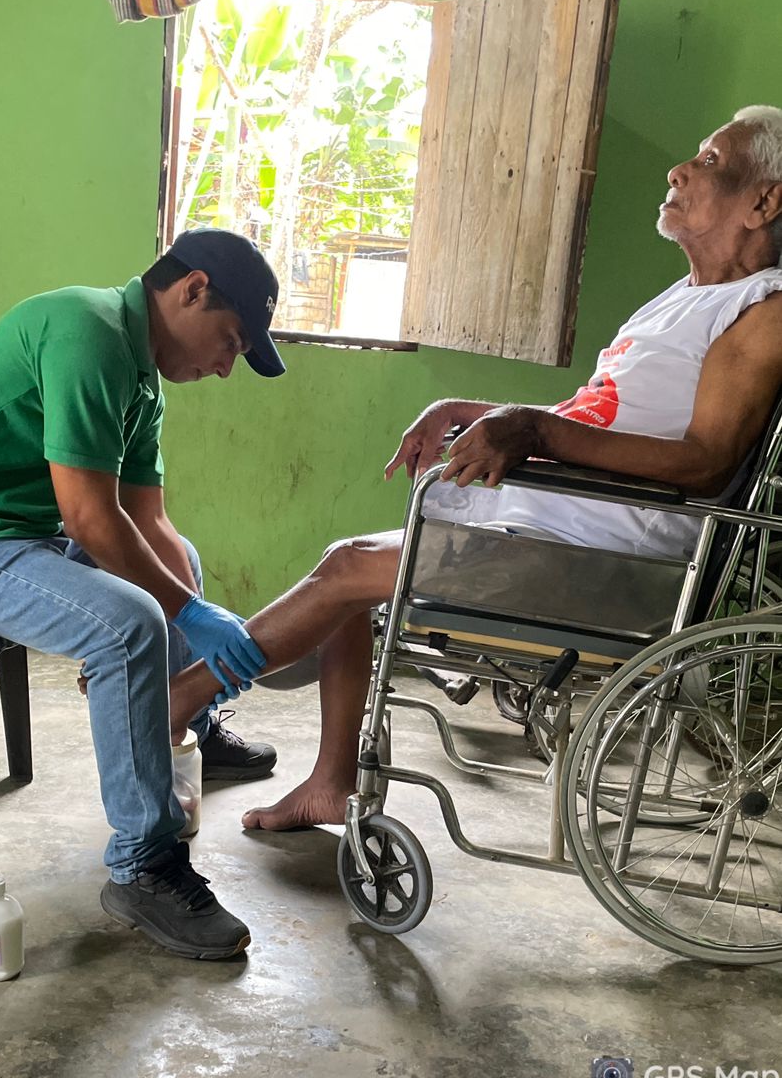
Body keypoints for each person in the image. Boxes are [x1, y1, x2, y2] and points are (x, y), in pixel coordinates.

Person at [162, 106, 782, 832]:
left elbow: (706, 463)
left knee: (348, 572)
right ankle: (327, 780)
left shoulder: (762, 311)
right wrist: (469, 410)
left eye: (710, 161)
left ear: (764, 201)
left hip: (611, 565)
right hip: (562, 532)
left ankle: (177, 702)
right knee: (347, 570)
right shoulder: (687, 298)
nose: (679, 171)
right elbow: (596, 416)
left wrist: (532, 428)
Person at [0, 228, 285, 958]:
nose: (227, 368)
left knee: (181, 565)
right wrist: (185, 613)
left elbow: (148, 520)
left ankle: (186, 724)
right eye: (231, 341)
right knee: (128, 624)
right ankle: (143, 866)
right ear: (192, 289)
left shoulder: (141, 377)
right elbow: (91, 520)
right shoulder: (86, 331)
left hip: (22, 535)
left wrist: (194, 623)